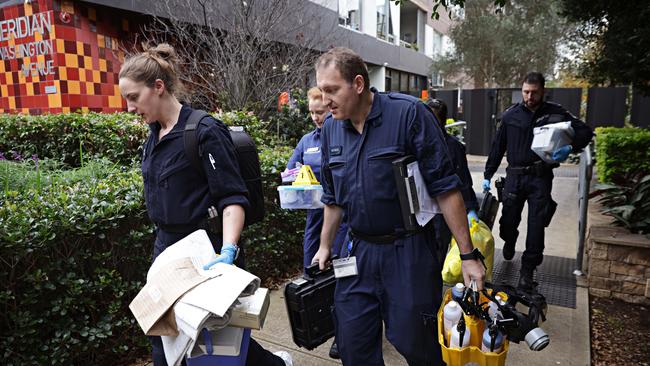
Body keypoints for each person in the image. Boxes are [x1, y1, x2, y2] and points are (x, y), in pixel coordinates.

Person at [118, 43, 292, 366]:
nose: (129, 108)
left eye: (133, 97)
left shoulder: (203, 130)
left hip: (204, 254)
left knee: (216, 345)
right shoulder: (154, 136)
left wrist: (227, 252)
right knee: (166, 341)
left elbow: (232, 199)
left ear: (158, 88)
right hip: (167, 254)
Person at [311, 47, 486, 365]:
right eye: (321, 91)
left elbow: (446, 189)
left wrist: (468, 254)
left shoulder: (409, 115)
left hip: (407, 252)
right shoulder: (332, 130)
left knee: (416, 343)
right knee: (352, 344)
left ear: (359, 84)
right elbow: (332, 199)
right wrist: (325, 246)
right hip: (357, 251)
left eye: (332, 90)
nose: (325, 101)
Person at [482, 72, 593, 291]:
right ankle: (509, 240)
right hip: (514, 176)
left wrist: (570, 148)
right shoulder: (510, 116)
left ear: (543, 91)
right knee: (508, 221)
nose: (529, 96)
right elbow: (497, 147)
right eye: (526, 92)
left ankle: (527, 271)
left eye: (534, 92)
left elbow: (585, 132)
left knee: (536, 225)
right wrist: (488, 174)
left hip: (540, 177)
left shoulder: (556, 113)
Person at [285, 87, 348, 359]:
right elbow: (288, 172)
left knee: (344, 275)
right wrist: (295, 173)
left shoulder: (344, 135)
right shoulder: (307, 140)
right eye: (311, 112)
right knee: (314, 271)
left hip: (344, 220)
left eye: (320, 112)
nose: (315, 117)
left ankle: (344, 335)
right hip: (315, 219)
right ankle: (326, 326)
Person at [427, 98, 479, 264]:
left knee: (439, 252)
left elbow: (462, 178)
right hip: (421, 210)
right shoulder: (415, 142)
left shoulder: (453, 147)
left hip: (443, 211)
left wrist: (470, 208)